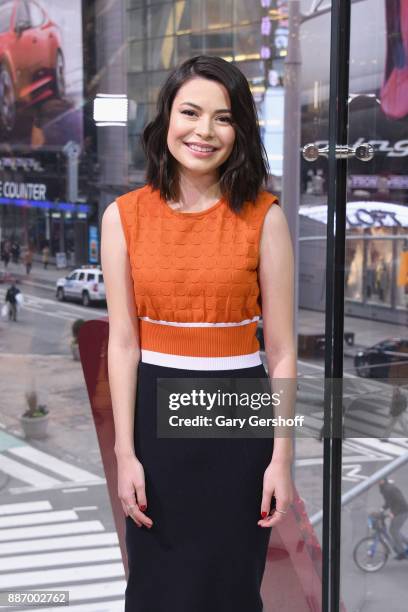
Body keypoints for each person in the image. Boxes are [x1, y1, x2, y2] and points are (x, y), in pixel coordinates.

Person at [101, 55, 296, 612]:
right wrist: (126, 455)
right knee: (156, 590)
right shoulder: (124, 217)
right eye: (191, 112)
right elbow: (123, 343)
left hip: (239, 421)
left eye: (224, 118)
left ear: (241, 132)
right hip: (155, 433)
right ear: (167, 118)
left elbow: (280, 353)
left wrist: (281, 458)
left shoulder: (265, 217)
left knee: (231, 590)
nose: (204, 131)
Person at [379, 476, 408, 559]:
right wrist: (381, 509)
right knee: (394, 531)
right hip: (399, 511)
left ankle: (402, 553)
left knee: (394, 531)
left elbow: (400, 501)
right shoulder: (384, 488)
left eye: (379, 479)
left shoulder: (390, 488)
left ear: (383, 480)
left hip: (402, 511)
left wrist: (393, 513)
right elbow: (389, 502)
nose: (377, 481)